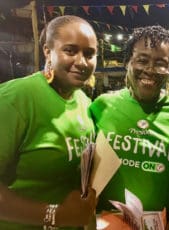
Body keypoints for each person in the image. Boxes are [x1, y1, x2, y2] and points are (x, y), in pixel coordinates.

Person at [89, 25, 169, 229]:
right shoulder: (101, 106)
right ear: (127, 62)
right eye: (142, 60)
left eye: (160, 63)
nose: (149, 70)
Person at [0, 15, 98, 229]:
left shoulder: (83, 101)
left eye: (89, 54)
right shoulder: (15, 99)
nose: (81, 62)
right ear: (47, 51)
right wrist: (56, 216)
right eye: (70, 51)